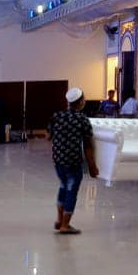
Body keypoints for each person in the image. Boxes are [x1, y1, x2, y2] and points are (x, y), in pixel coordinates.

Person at [48, 87, 97, 235]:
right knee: (71, 192)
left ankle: (59, 220)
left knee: (63, 187)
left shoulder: (57, 116)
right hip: (73, 162)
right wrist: (92, 166)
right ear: (81, 102)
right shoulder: (82, 119)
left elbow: (48, 136)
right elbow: (88, 145)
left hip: (58, 161)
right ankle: (65, 225)